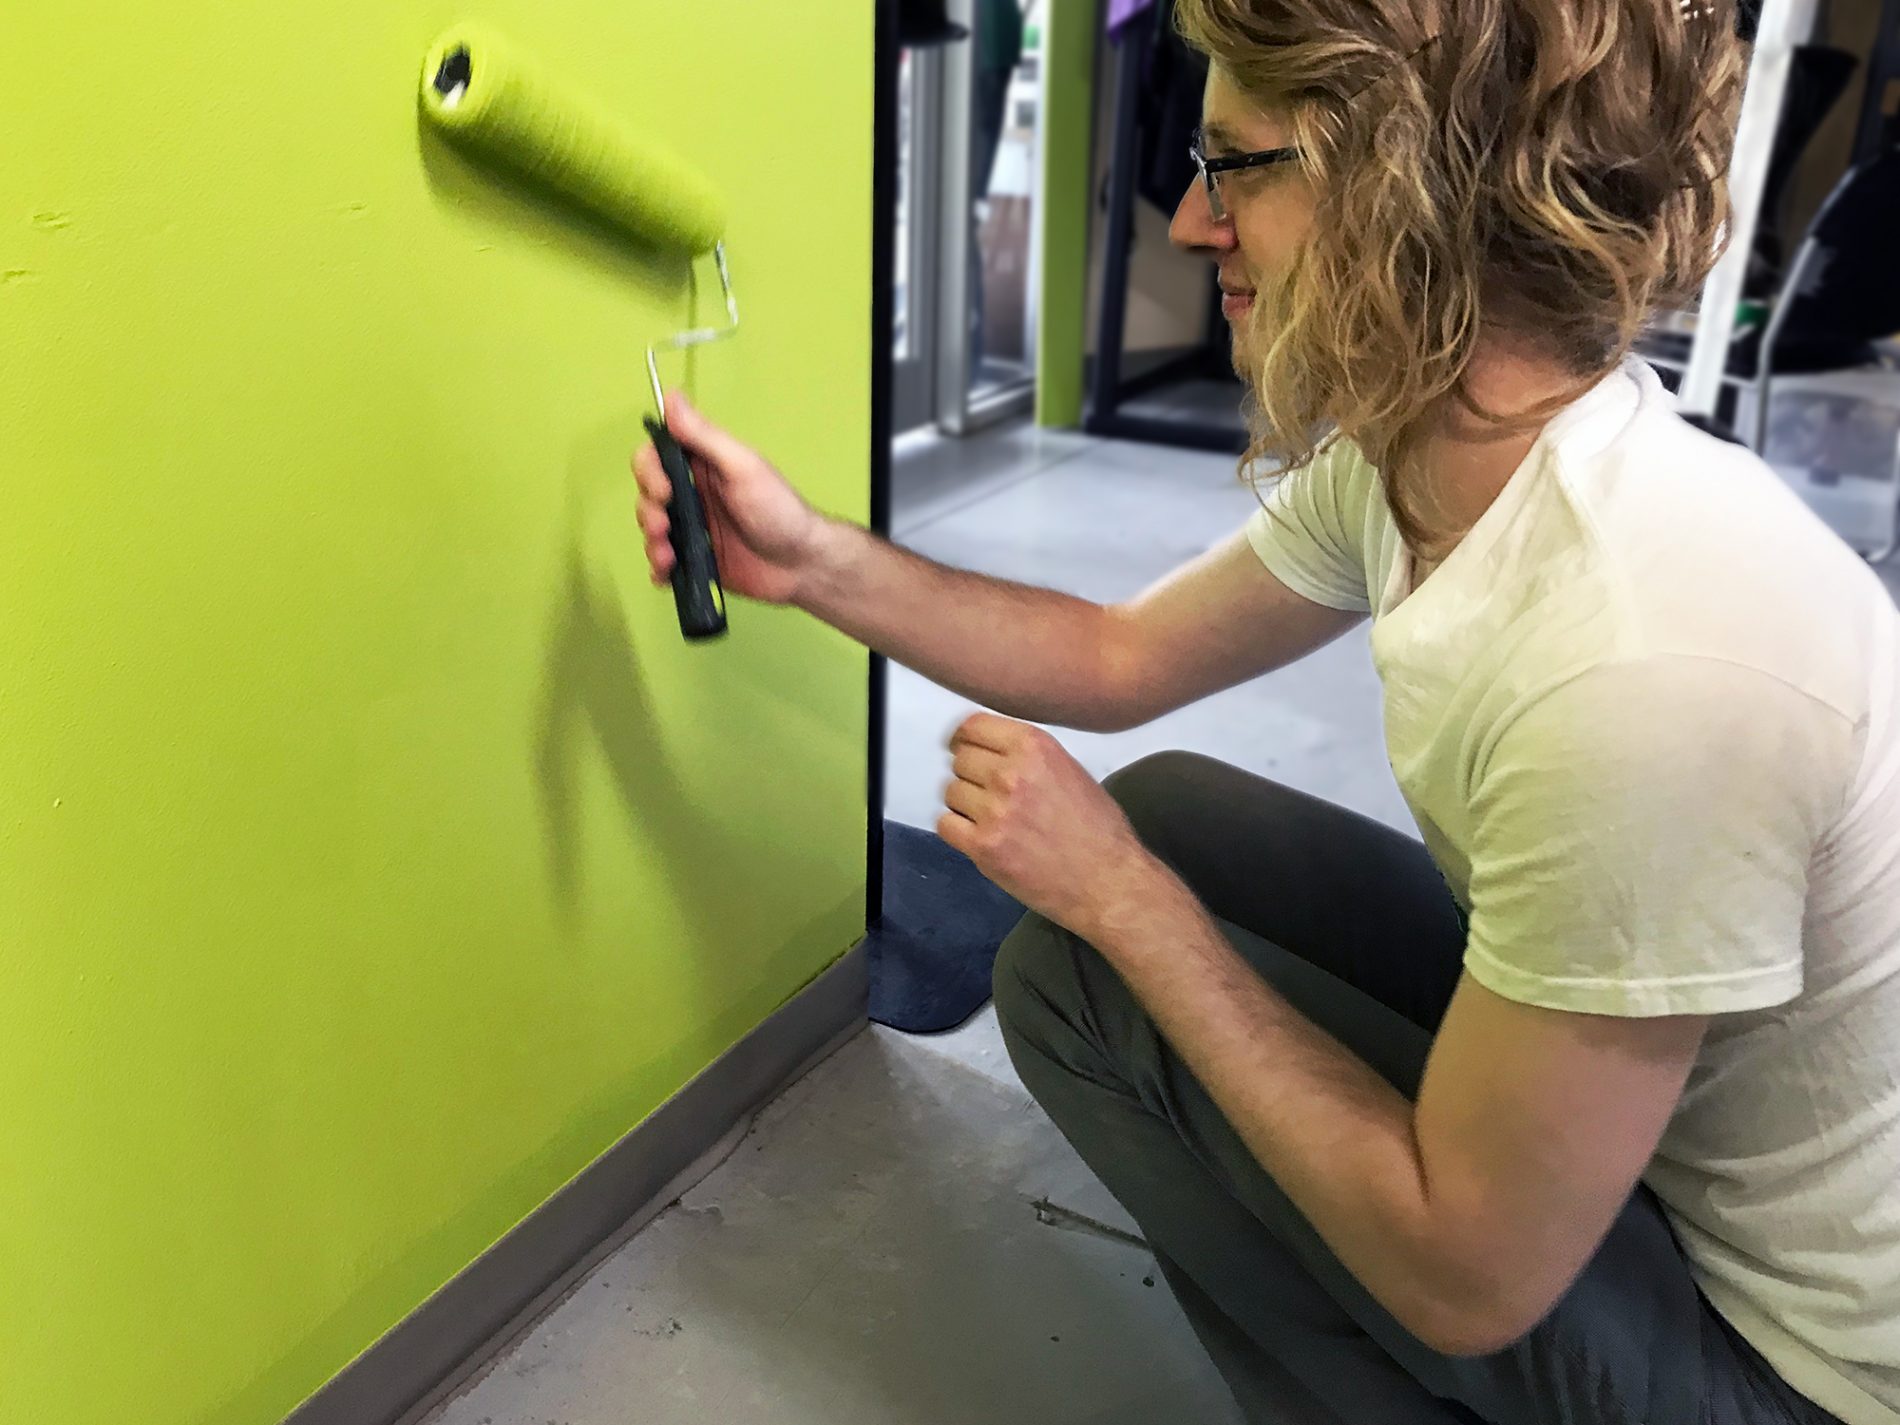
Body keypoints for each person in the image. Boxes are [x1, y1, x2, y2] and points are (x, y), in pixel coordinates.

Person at [633, 2, 1900, 1420]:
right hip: (1677, 1163)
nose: (1188, 222)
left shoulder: (1644, 664)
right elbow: (1118, 655)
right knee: (1171, 812)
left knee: (1084, 962)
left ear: (1407, 184)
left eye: (1236, 165)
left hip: (1800, 1372)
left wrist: (1127, 904)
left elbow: (1463, 1278)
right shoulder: (1439, 455)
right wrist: (809, 557)